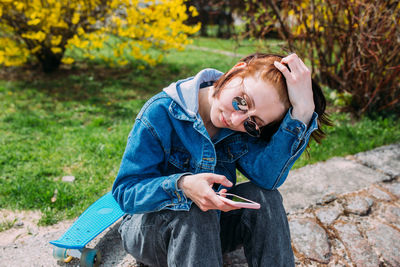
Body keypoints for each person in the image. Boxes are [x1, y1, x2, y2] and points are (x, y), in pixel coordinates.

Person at [112, 53, 330, 267]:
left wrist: (303, 112)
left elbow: (267, 178)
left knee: (265, 197)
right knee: (196, 208)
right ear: (235, 71)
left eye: (253, 122)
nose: (236, 120)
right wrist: (183, 186)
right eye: (242, 102)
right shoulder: (161, 112)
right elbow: (125, 192)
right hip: (150, 233)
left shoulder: (241, 130)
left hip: (211, 231)